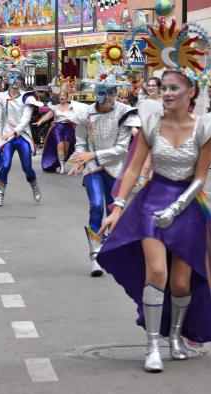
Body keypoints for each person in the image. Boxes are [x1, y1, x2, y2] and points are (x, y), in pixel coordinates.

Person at [96, 18, 211, 373]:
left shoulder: (206, 128)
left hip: (187, 208)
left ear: (191, 93)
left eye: (175, 88)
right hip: (151, 204)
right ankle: (151, 346)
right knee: (157, 272)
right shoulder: (150, 124)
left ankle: (174, 335)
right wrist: (118, 206)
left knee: (182, 281)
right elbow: (133, 168)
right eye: (164, 88)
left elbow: (201, 179)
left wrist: (177, 208)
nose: (167, 93)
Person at [68, 75, 140, 277]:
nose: (108, 97)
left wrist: (94, 154)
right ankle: (95, 255)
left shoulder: (125, 113)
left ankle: (109, 247)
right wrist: (81, 158)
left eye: (112, 93)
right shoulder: (86, 113)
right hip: (92, 168)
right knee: (97, 205)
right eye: (104, 92)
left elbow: (121, 149)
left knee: (113, 211)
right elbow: (81, 141)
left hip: (116, 168)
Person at [0, 68, 44, 207]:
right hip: (6, 137)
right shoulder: (0, 98)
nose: (16, 81)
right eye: (13, 78)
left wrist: (14, 132)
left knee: (27, 168)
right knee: (5, 165)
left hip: (22, 137)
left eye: (19, 78)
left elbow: (25, 119)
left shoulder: (27, 97)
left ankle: (34, 186)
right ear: (7, 79)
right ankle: (0, 194)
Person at [36, 90, 78, 174]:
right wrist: (40, 121)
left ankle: (60, 163)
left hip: (68, 128)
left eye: (63, 95)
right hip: (57, 128)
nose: (62, 97)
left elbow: (77, 117)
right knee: (60, 145)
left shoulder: (72, 107)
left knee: (66, 148)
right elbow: (48, 116)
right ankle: (62, 167)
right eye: (60, 96)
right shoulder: (55, 107)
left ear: (67, 97)